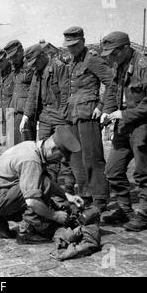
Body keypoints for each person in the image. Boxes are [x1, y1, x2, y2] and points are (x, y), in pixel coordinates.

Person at [100, 31, 147, 231]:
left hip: (144, 127)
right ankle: (125, 210)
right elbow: (112, 91)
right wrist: (108, 112)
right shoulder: (118, 64)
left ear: (125, 48)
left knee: (143, 173)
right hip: (124, 126)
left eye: (113, 53)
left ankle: (144, 215)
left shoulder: (146, 67)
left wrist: (124, 115)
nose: (111, 58)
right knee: (112, 170)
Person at [0, 125, 84, 244]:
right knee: (39, 189)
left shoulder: (33, 147)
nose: (60, 161)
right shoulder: (31, 160)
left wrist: (67, 196)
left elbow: (47, 181)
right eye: (60, 157)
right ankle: (27, 232)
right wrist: (55, 216)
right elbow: (32, 201)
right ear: (54, 149)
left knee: (41, 182)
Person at [61, 26, 114, 212]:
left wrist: (103, 107)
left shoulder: (92, 60)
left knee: (93, 158)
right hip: (73, 115)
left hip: (89, 114)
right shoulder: (72, 62)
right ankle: (85, 195)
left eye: (74, 45)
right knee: (76, 158)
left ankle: (99, 198)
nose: (71, 49)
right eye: (69, 46)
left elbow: (112, 82)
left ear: (82, 41)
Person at [21, 44, 76, 194]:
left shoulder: (59, 67)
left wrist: (65, 118)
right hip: (44, 116)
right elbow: (32, 94)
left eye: (35, 62)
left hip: (60, 116)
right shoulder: (37, 71)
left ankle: (69, 189)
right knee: (45, 153)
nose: (33, 66)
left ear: (42, 56)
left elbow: (66, 94)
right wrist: (26, 115)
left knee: (65, 153)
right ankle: (51, 188)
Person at [4, 40, 36, 145]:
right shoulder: (15, 68)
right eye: (11, 57)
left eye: (15, 56)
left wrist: (27, 114)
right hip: (15, 112)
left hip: (26, 113)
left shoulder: (31, 65)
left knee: (27, 146)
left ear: (21, 51)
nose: (13, 60)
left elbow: (34, 91)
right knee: (16, 146)